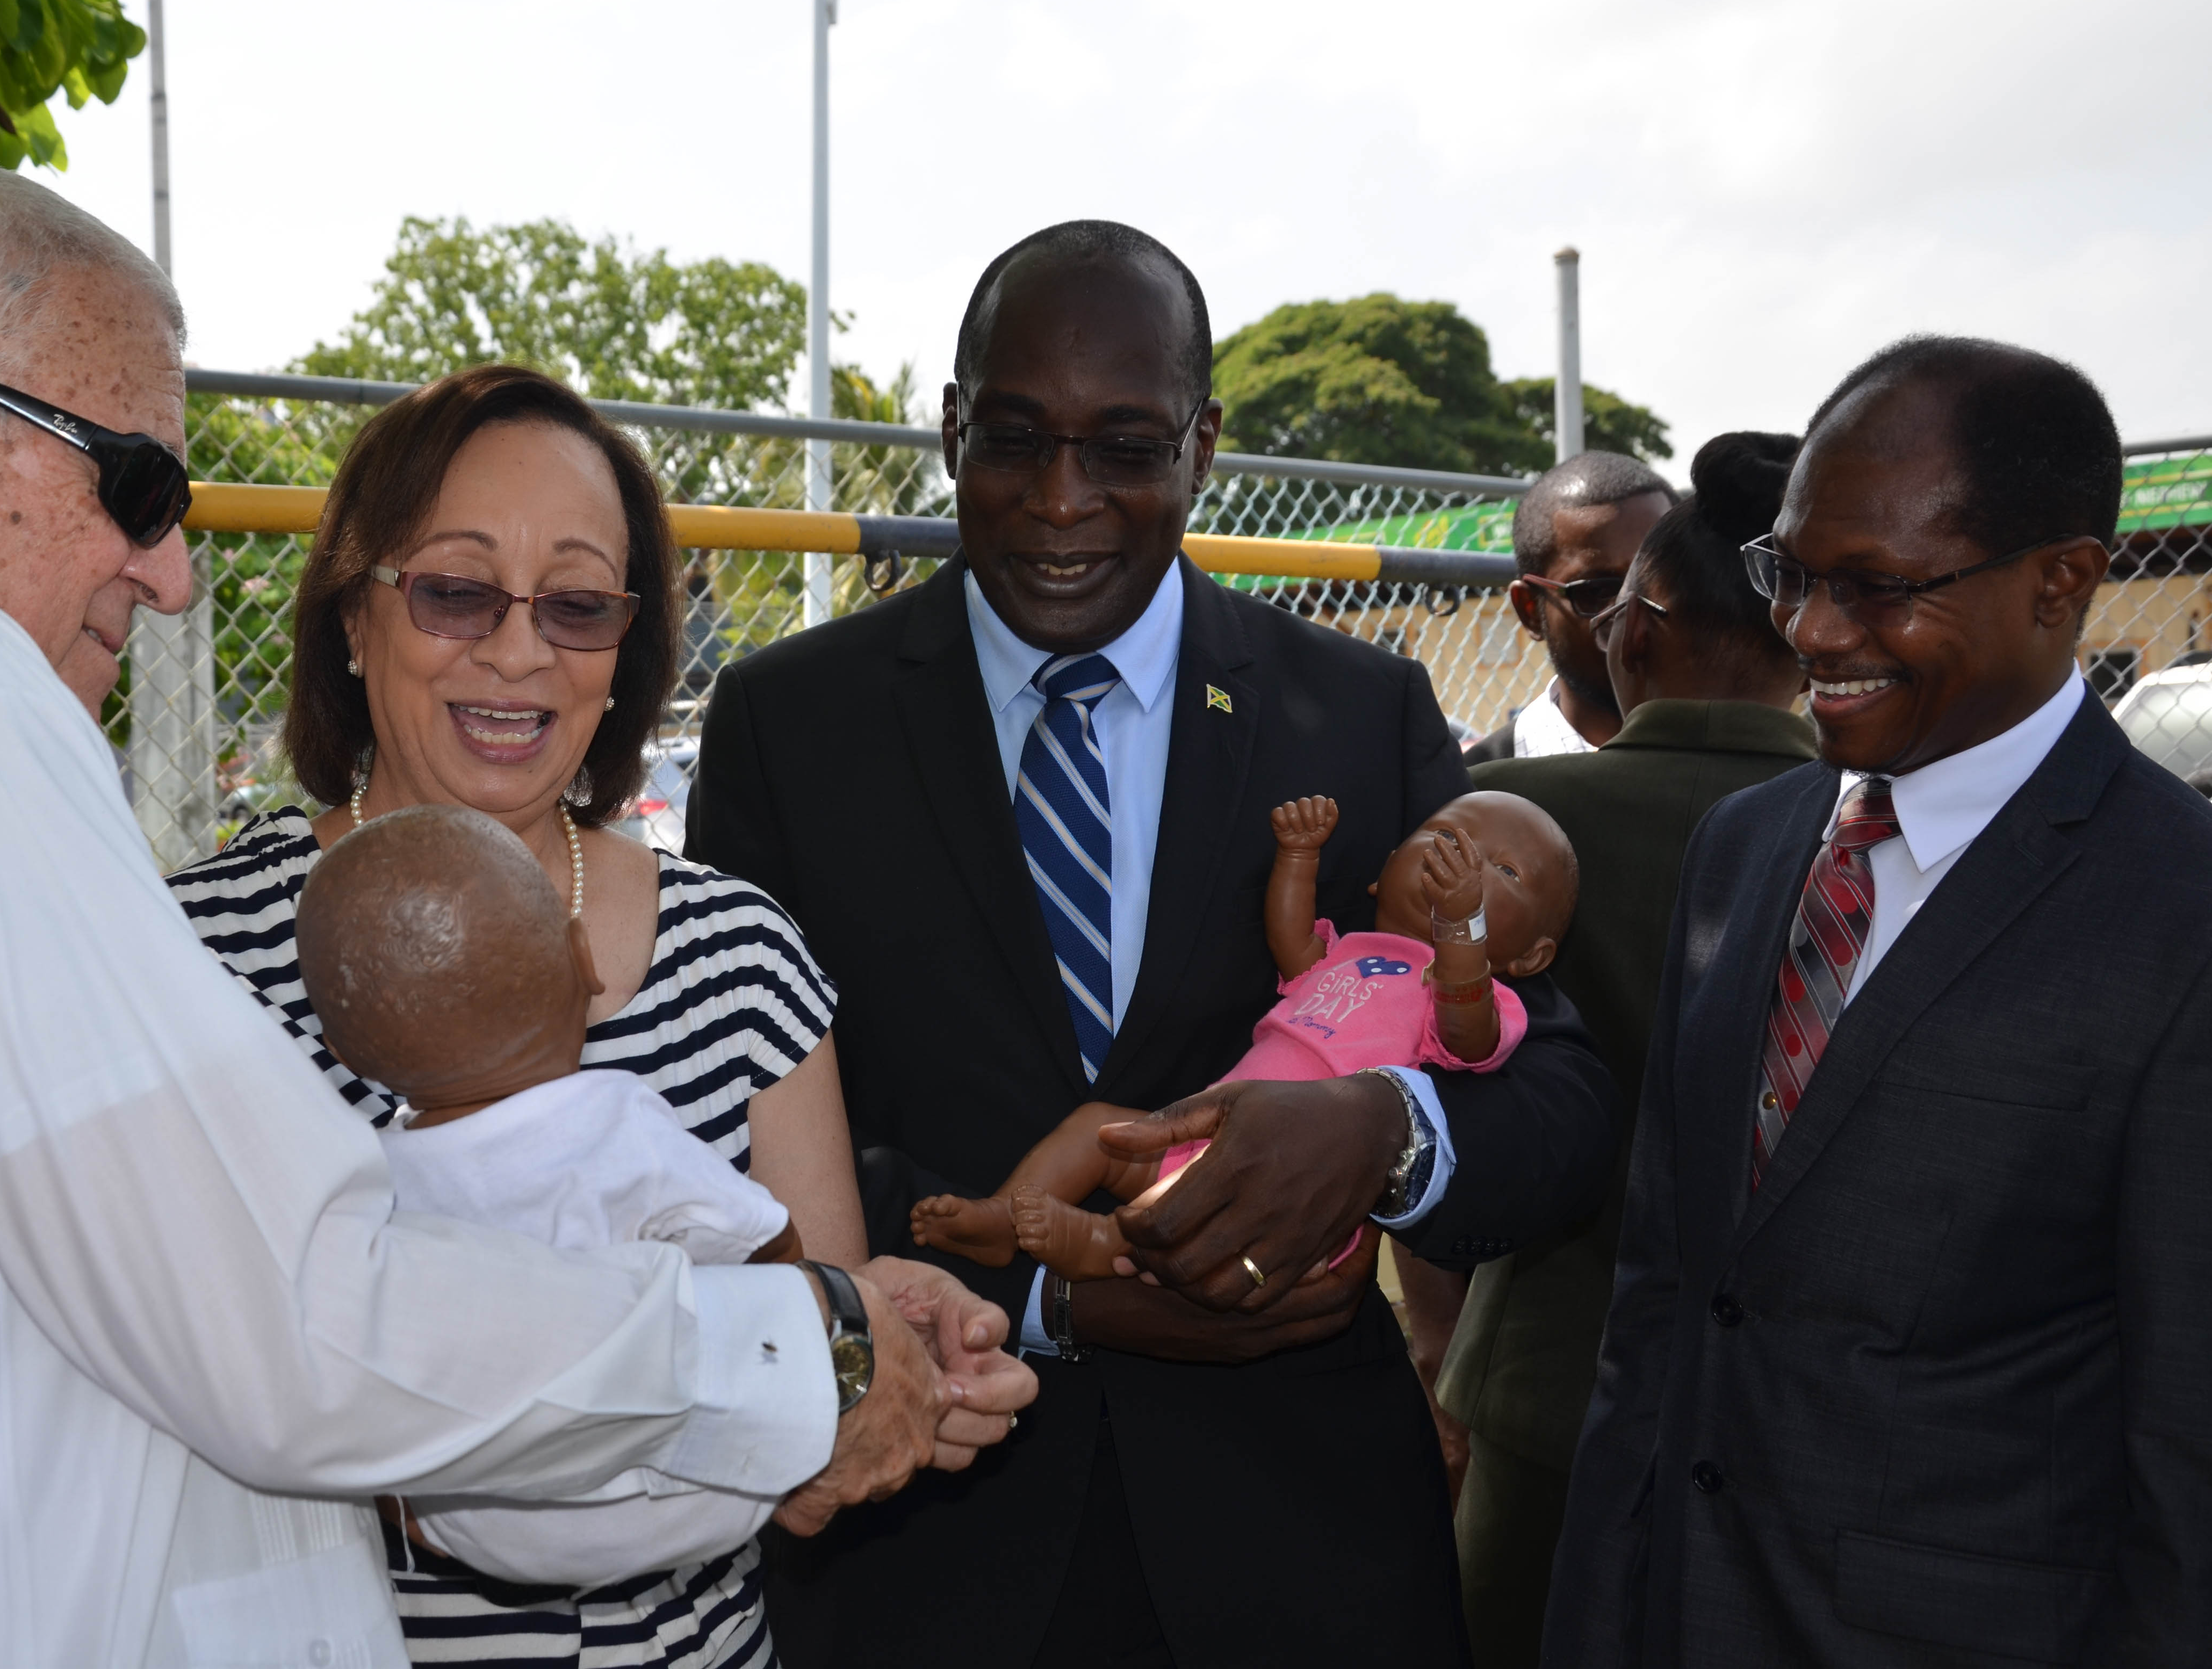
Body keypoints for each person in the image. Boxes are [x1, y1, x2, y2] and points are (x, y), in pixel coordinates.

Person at [0, 149, 1029, 1669]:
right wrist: (810, 1353)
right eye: (134, 483)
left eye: (581, 605)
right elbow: (302, 1323)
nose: (174, 573)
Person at [687, 219, 1621, 1667]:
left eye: (1125, 447)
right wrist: (1054, 1289)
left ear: (1204, 446)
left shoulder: (1357, 715)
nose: (1064, 500)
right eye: (1015, 437)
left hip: (1300, 1549)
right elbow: (722, 1129)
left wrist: (1384, 1131)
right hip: (921, 1545)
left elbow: (1557, 1104)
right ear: (948, 433)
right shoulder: (787, 722)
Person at [162, 358, 1022, 1666]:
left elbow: (807, 1351)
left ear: (627, 651)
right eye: (455, 591)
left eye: (575, 606)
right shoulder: (196, 952)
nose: (517, 650)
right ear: (353, 614)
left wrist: (899, 1373)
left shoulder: (739, 952)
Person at [1545, 338, 2212, 1664]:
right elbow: (1664, 1303)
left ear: (2063, 582)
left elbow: (2188, 1449)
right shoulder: (1741, 850)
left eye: (1879, 587)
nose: (1811, 630)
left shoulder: (2180, 917)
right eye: (1791, 571)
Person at [1436, 432, 1815, 1667]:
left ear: (1634, 636)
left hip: (1553, 1380)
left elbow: (1424, 1102)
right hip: (1800, 1399)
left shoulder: (1518, 824)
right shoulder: (1874, 830)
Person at [296, 804, 815, 1586]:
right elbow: (767, 1247)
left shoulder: (370, 1179)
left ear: (343, 1050)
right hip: (690, 1492)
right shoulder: (618, 1121)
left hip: (483, 1527)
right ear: (585, 959)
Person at [910, 790, 1577, 1280]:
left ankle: (1101, 1243)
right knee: (1095, 1129)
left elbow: (1465, 1039)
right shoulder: (1351, 951)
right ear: (1381, 872)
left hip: (1286, 1179)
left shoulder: (1473, 991)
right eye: (1444, 835)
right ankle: (1003, 1217)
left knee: (1190, 1209)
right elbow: (1290, 943)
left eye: (1506, 873)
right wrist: (1297, 856)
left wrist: (1461, 928)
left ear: (1532, 958)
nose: (1463, 864)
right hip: (1203, 1122)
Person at [1461, 451, 1675, 763]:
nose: (1637, 615)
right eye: (1599, 591)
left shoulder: (1750, 771)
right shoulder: (1474, 789)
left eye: (1662, 580)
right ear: (1530, 610)